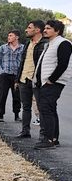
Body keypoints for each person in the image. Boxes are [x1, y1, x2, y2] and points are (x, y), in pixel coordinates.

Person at [33, 20, 71, 149]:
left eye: (48, 28)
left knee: (46, 110)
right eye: (45, 28)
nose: (45, 30)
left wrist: (51, 80)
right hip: (45, 82)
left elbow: (63, 64)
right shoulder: (50, 44)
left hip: (52, 83)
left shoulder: (63, 43)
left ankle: (48, 140)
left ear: (57, 31)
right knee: (50, 109)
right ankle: (54, 138)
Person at [15, 20, 47, 139]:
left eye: (29, 28)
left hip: (37, 81)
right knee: (26, 107)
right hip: (24, 79)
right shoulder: (28, 44)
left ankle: (43, 135)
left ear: (37, 30)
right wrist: (17, 79)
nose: (26, 30)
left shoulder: (45, 44)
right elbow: (22, 62)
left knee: (41, 107)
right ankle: (25, 131)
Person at [0, 30, 24, 122]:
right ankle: (1, 115)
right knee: (2, 95)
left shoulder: (22, 48)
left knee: (16, 96)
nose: (9, 37)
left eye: (11, 35)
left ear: (17, 37)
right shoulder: (3, 47)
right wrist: (1, 71)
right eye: (8, 35)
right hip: (5, 75)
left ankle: (16, 115)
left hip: (16, 75)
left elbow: (24, 61)